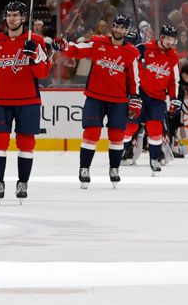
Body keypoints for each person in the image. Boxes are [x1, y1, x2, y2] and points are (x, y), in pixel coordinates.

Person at [54, 14, 141, 188]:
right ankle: (84, 168)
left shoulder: (131, 53)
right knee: (91, 134)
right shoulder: (98, 43)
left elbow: (134, 79)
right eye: (116, 26)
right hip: (95, 97)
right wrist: (64, 46)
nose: (118, 30)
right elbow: (78, 49)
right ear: (112, 26)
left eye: (122, 28)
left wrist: (135, 97)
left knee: (116, 137)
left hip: (118, 100)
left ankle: (114, 168)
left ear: (127, 30)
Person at [0, 1, 50, 201]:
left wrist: (34, 56)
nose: (12, 18)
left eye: (16, 15)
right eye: (9, 14)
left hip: (28, 100)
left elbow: (44, 73)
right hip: (0, 100)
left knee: (26, 143)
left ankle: (22, 182)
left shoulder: (35, 41)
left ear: (24, 18)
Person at [122, 25, 180, 173]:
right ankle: (123, 150)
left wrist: (173, 99)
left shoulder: (173, 57)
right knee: (131, 127)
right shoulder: (146, 48)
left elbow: (174, 81)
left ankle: (154, 158)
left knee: (155, 129)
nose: (170, 41)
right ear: (161, 37)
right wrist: (136, 50)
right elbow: (127, 57)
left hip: (157, 98)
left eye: (172, 38)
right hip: (140, 94)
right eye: (168, 37)